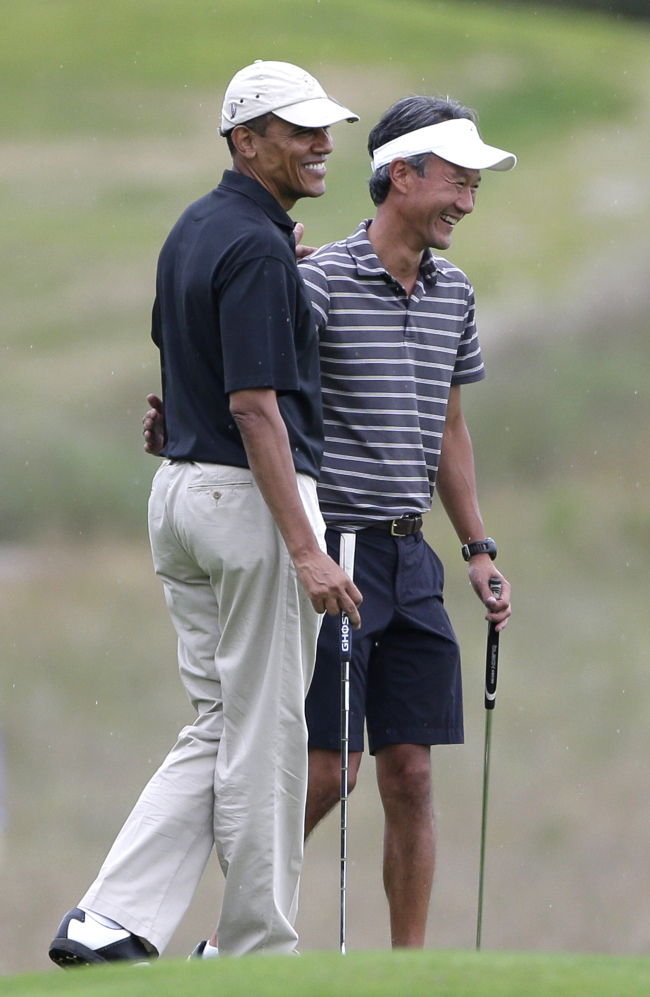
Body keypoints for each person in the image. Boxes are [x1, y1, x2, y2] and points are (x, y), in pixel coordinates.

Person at [144, 95, 514, 954]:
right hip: (333, 545)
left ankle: (408, 969)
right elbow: (251, 379)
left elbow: (449, 428)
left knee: (412, 773)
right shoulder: (315, 279)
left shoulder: (454, 291)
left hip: (409, 553)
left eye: (472, 186)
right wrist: (186, 425)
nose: (466, 200)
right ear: (401, 176)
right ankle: (232, 942)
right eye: (456, 181)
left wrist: (478, 547)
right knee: (324, 772)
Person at [48, 60, 362, 968]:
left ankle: (110, 918)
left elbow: (182, 357)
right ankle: (258, 949)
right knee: (268, 731)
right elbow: (257, 404)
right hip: (251, 501)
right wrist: (306, 549)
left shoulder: (197, 227)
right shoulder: (259, 246)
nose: (321, 144)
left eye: (323, 128)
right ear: (245, 139)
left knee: (223, 720)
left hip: (183, 496)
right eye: (297, 130)